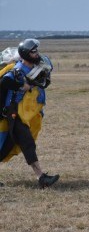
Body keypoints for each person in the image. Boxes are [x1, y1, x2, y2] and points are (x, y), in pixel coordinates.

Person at [0, 39, 59, 188]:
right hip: (14, 113)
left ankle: (41, 178)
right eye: (33, 52)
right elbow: (4, 82)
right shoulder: (17, 70)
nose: (36, 53)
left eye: (36, 51)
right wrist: (21, 85)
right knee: (27, 143)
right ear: (26, 54)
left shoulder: (36, 66)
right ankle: (41, 178)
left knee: (6, 147)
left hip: (24, 114)